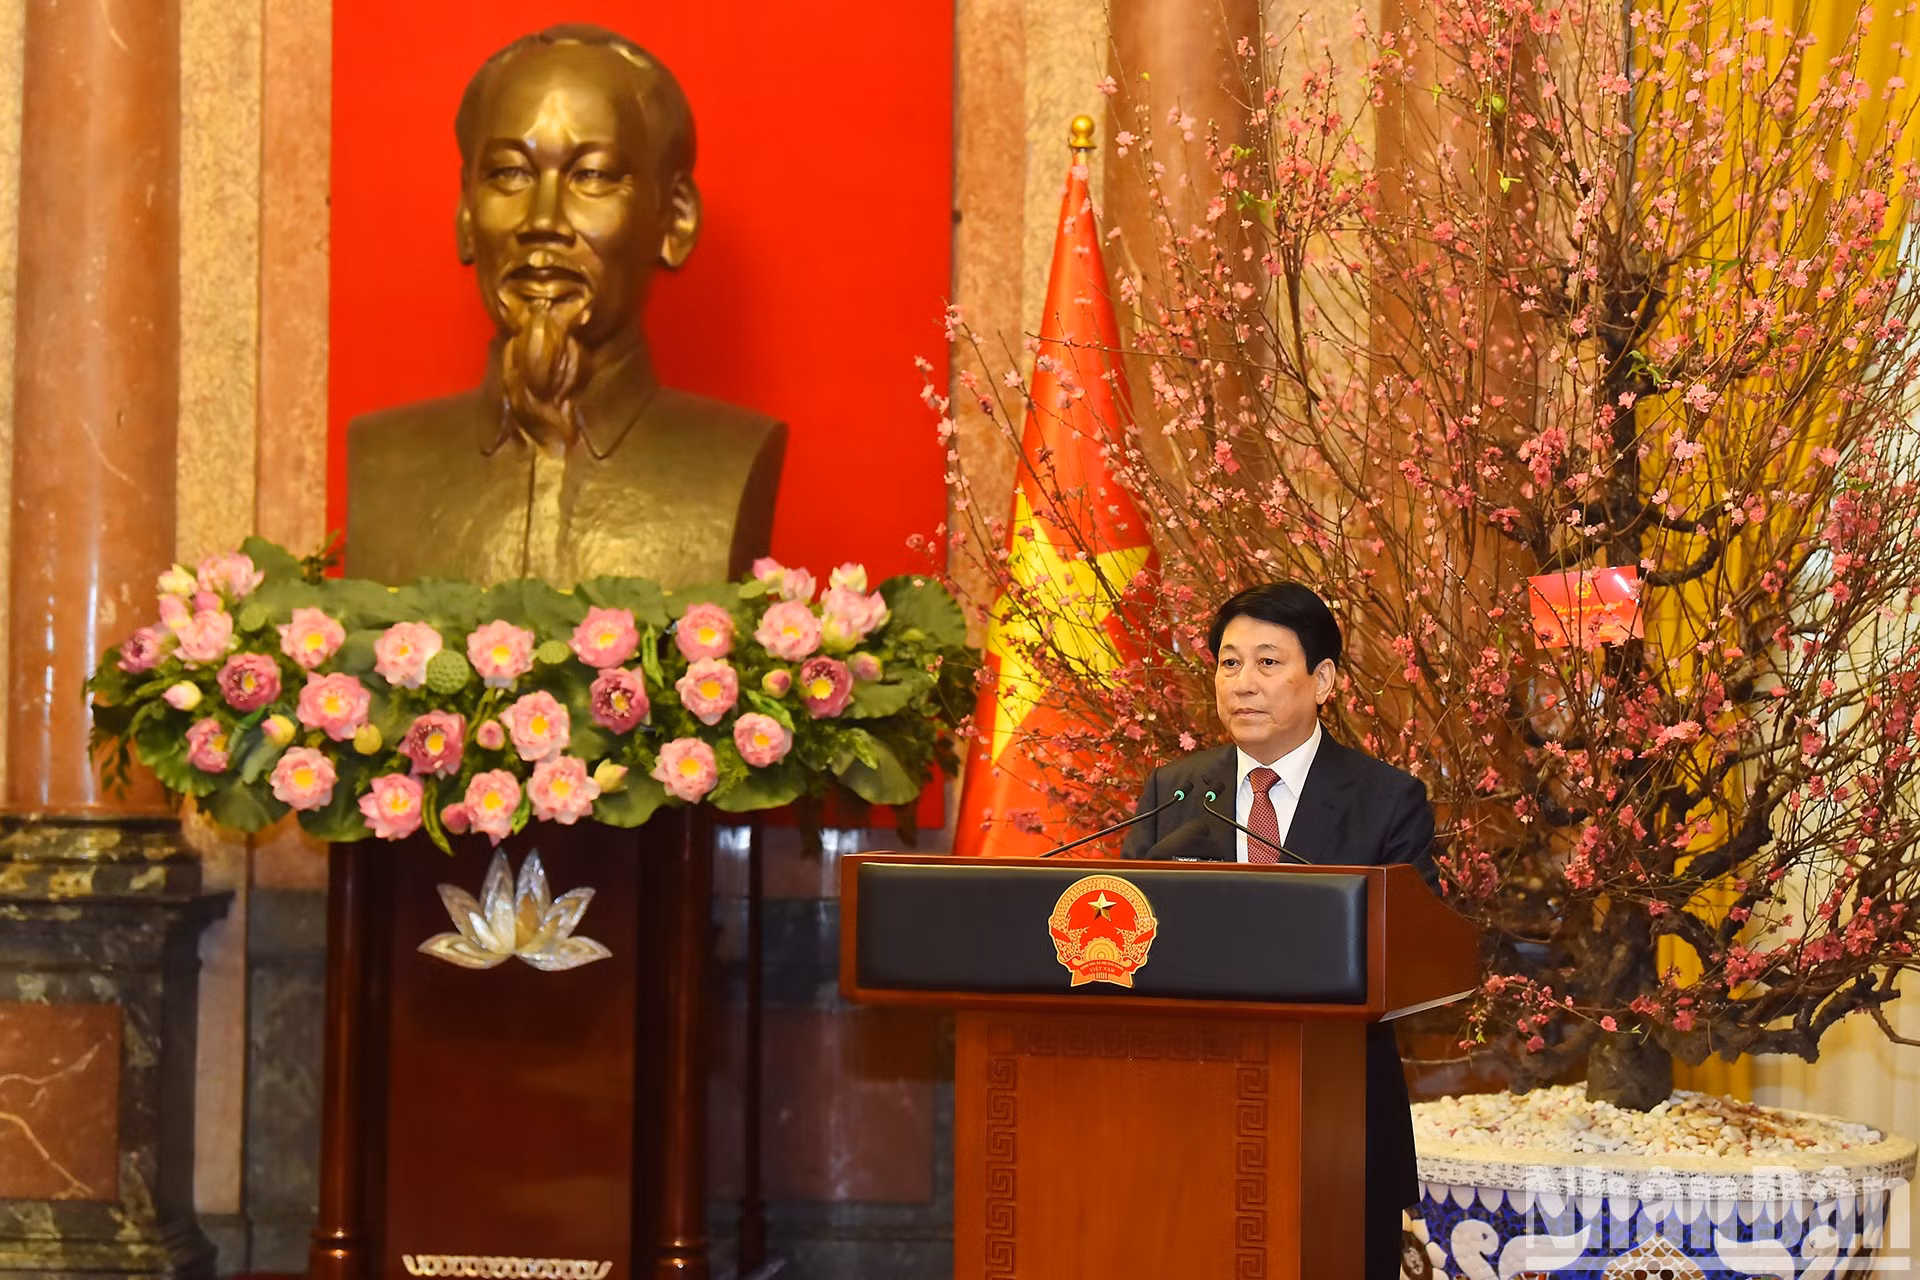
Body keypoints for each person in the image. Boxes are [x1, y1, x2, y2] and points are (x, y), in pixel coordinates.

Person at [346, 24, 785, 588]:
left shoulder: (732, 458)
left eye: (593, 176)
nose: (543, 221)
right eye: (509, 173)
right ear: (464, 215)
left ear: (674, 220)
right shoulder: (386, 461)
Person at [1121, 580, 1438, 1280]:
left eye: (1268, 663)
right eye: (1229, 663)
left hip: (1338, 1126)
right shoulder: (1172, 793)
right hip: (1188, 1119)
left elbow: (1410, 959)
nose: (1243, 684)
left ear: (1323, 680)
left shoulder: (1389, 801)